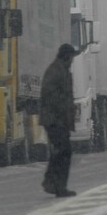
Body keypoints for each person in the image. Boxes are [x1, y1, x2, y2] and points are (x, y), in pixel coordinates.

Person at [39, 43, 78, 198]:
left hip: (60, 119)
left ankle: (51, 182)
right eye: (72, 57)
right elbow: (50, 96)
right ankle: (57, 186)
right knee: (63, 151)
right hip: (54, 119)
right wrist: (63, 111)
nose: (73, 61)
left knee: (61, 151)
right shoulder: (55, 71)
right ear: (67, 56)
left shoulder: (62, 70)